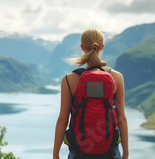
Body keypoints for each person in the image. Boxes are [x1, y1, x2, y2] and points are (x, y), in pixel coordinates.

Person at [53, 29, 129, 159]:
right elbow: (121, 118)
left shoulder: (69, 80)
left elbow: (63, 120)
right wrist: (126, 154)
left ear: (82, 48)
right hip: (110, 152)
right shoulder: (116, 78)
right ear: (102, 47)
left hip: (79, 152)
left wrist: (56, 154)